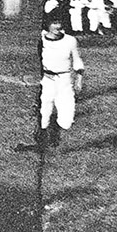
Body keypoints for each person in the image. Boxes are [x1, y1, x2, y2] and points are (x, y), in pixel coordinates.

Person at [37, 15, 85, 154]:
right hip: (48, 80)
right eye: (54, 23)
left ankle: (55, 127)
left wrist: (79, 79)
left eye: (60, 23)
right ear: (48, 25)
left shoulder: (70, 40)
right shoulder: (42, 40)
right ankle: (45, 135)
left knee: (66, 121)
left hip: (65, 80)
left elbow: (77, 60)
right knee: (45, 110)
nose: (57, 27)